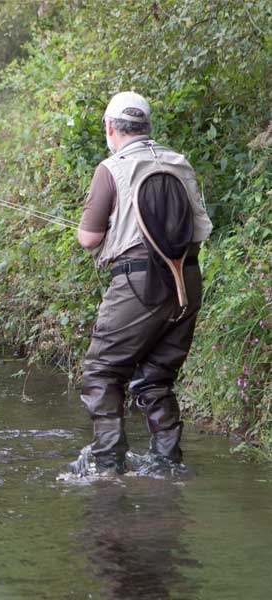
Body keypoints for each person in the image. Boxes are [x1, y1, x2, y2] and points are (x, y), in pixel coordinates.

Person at [71, 91, 213, 475]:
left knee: (102, 370)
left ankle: (107, 461)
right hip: (188, 279)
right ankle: (167, 460)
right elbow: (200, 228)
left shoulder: (111, 169)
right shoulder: (180, 163)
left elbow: (87, 238)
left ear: (111, 128)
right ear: (146, 127)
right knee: (156, 375)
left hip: (137, 284)